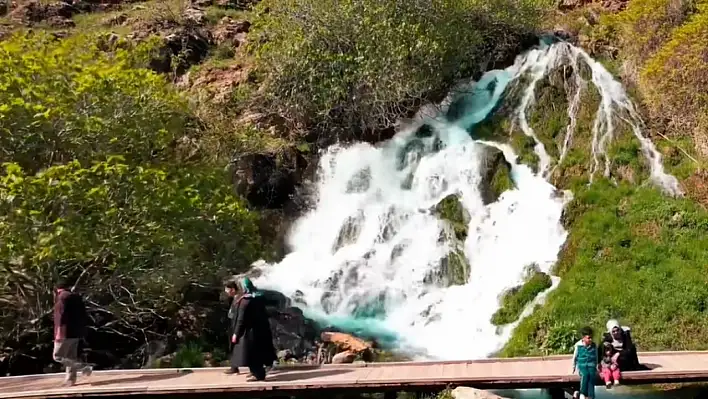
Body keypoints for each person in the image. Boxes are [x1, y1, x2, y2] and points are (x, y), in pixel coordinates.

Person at [224, 278, 277, 381]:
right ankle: (258, 373)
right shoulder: (257, 297)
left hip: (249, 332)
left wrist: (236, 333)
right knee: (257, 353)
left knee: (251, 354)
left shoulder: (245, 301)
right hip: (260, 330)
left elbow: (241, 319)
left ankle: (259, 375)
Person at [53, 280, 92, 387]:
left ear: (57, 289)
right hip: (76, 333)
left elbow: (61, 317)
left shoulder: (62, 298)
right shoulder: (76, 297)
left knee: (58, 356)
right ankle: (70, 380)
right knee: (71, 356)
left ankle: (83, 367)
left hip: (64, 332)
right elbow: (83, 315)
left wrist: (59, 333)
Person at [571, 326, 598, 399]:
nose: (591, 339)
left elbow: (596, 356)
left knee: (592, 375)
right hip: (582, 365)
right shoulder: (578, 345)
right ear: (583, 338)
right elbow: (575, 357)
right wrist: (573, 367)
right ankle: (583, 393)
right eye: (589, 338)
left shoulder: (594, 345)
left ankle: (591, 395)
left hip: (591, 365)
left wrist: (597, 366)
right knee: (585, 375)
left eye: (591, 337)